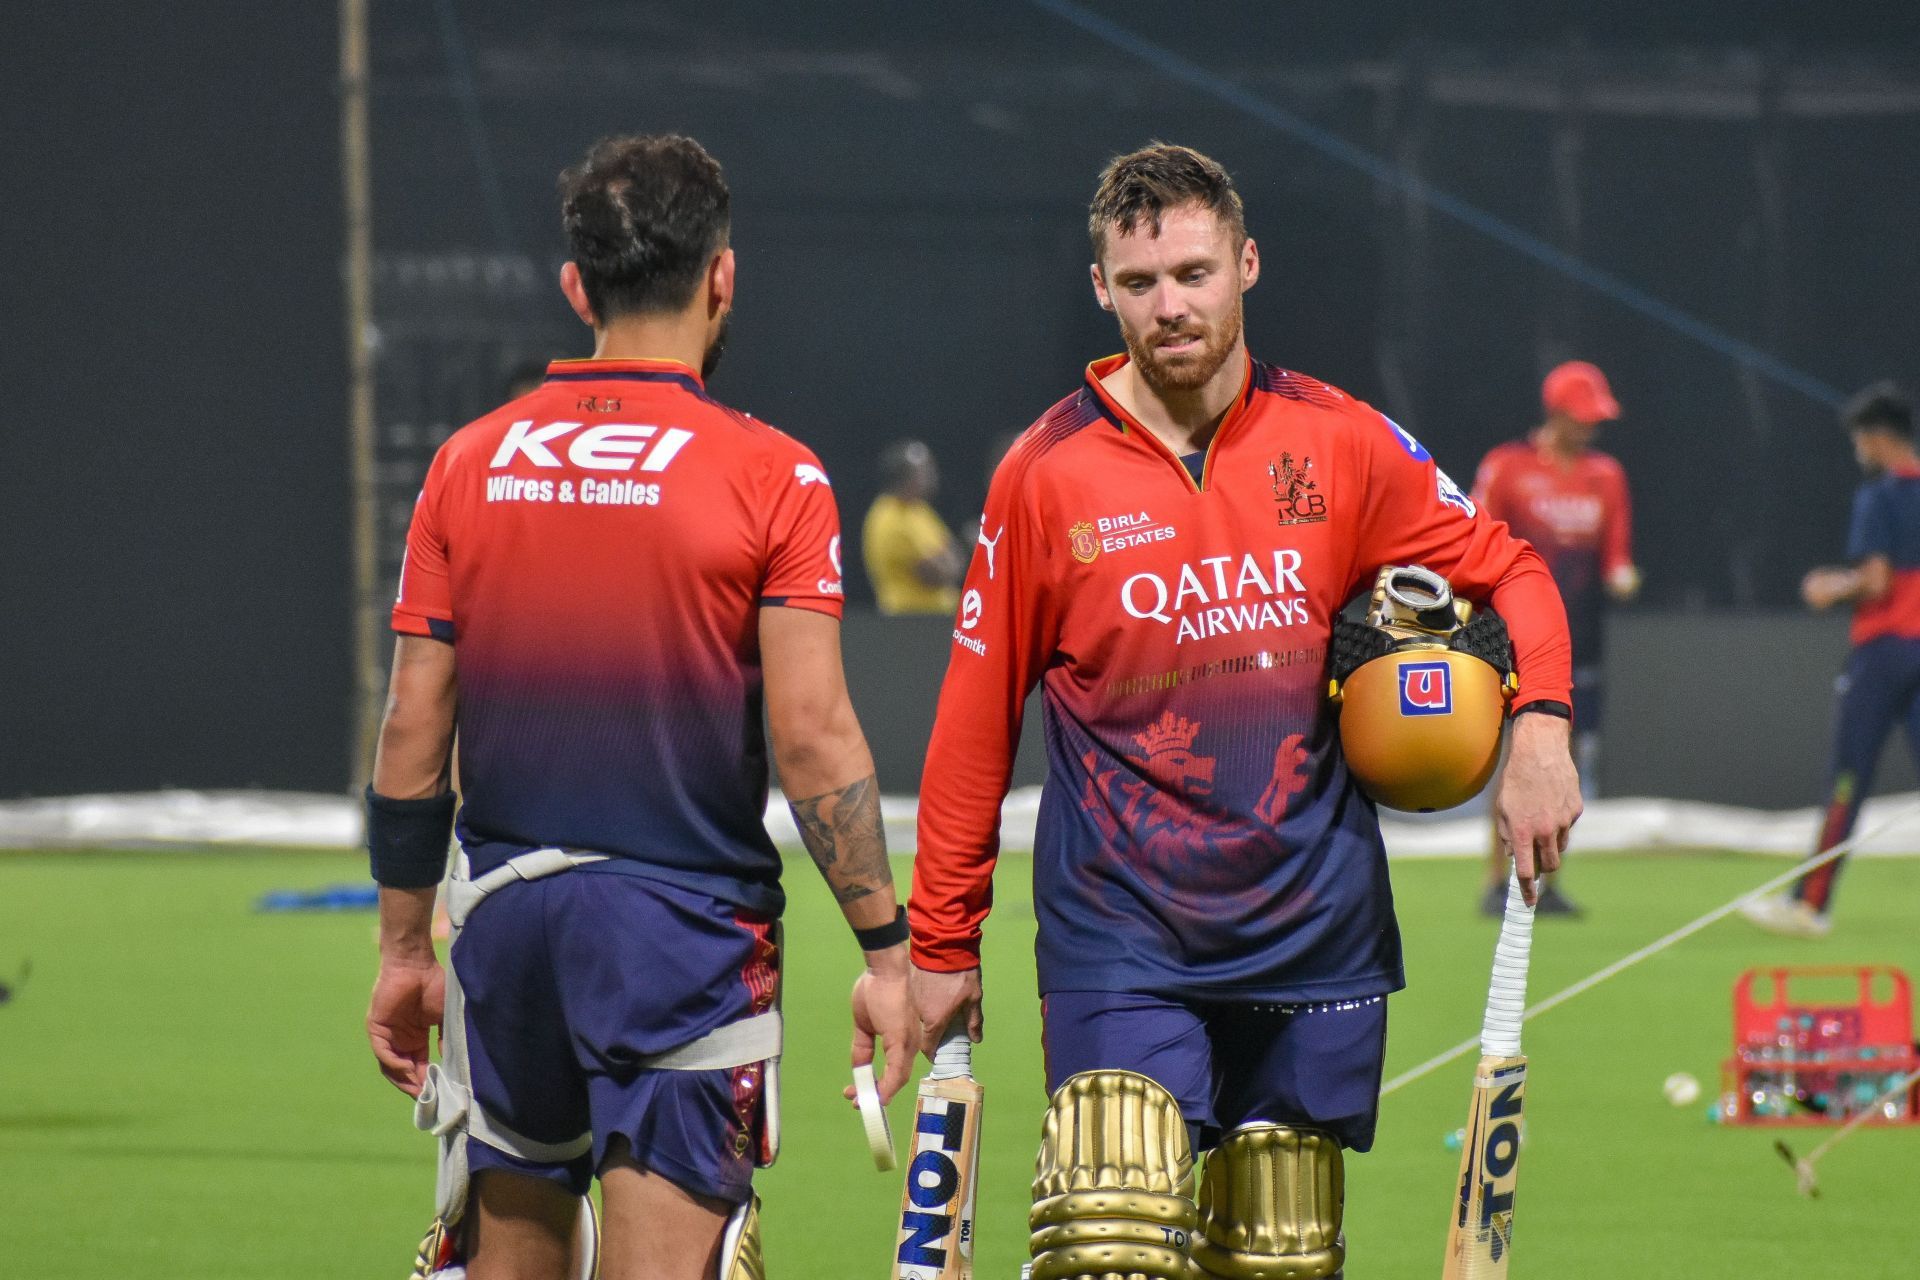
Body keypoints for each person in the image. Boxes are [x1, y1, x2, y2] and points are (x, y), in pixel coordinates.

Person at [907, 143, 1581, 1280]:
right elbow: (974, 717)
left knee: (1280, 1257)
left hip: (1314, 931)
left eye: (1194, 272)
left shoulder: (1344, 442)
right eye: (1140, 282)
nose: (1169, 306)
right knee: (1105, 1242)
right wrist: (939, 939)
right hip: (1124, 932)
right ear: (1101, 291)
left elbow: (1511, 569)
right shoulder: (1044, 474)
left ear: (1246, 265)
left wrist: (1543, 730)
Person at [363, 134, 915, 1280]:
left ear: (577, 286)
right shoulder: (775, 475)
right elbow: (814, 739)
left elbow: (414, 727)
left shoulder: (467, 463)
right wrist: (888, 950)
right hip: (679, 935)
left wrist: (405, 946)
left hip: (505, 927)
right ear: (723, 276)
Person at [1742, 384, 1920, 939]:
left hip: (1885, 652)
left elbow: (1876, 579)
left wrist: (1830, 586)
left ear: (1876, 437)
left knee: (1847, 781)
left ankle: (1809, 905)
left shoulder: (1880, 497)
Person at [1469, 360, 1638, 916]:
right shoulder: (1509, 468)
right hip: (1511, 634)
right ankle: (1500, 880)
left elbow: (1616, 555)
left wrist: (1622, 575)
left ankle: (1544, 880)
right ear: (1557, 414)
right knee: (1512, 753)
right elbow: (1475, 545)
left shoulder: (1606, 475)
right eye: (1581, 417)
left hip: (1578, 640)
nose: (1590, 428)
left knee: (1564, 756)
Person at [862, 439, 963, 614]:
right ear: (903, 477)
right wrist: (945, 562)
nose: (932, 475)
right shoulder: (888, 518)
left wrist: (947, 562)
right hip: (908, 621)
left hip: (941, 616)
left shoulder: (920, 510)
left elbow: (956, 555)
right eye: (924, 471)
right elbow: (935, 575)